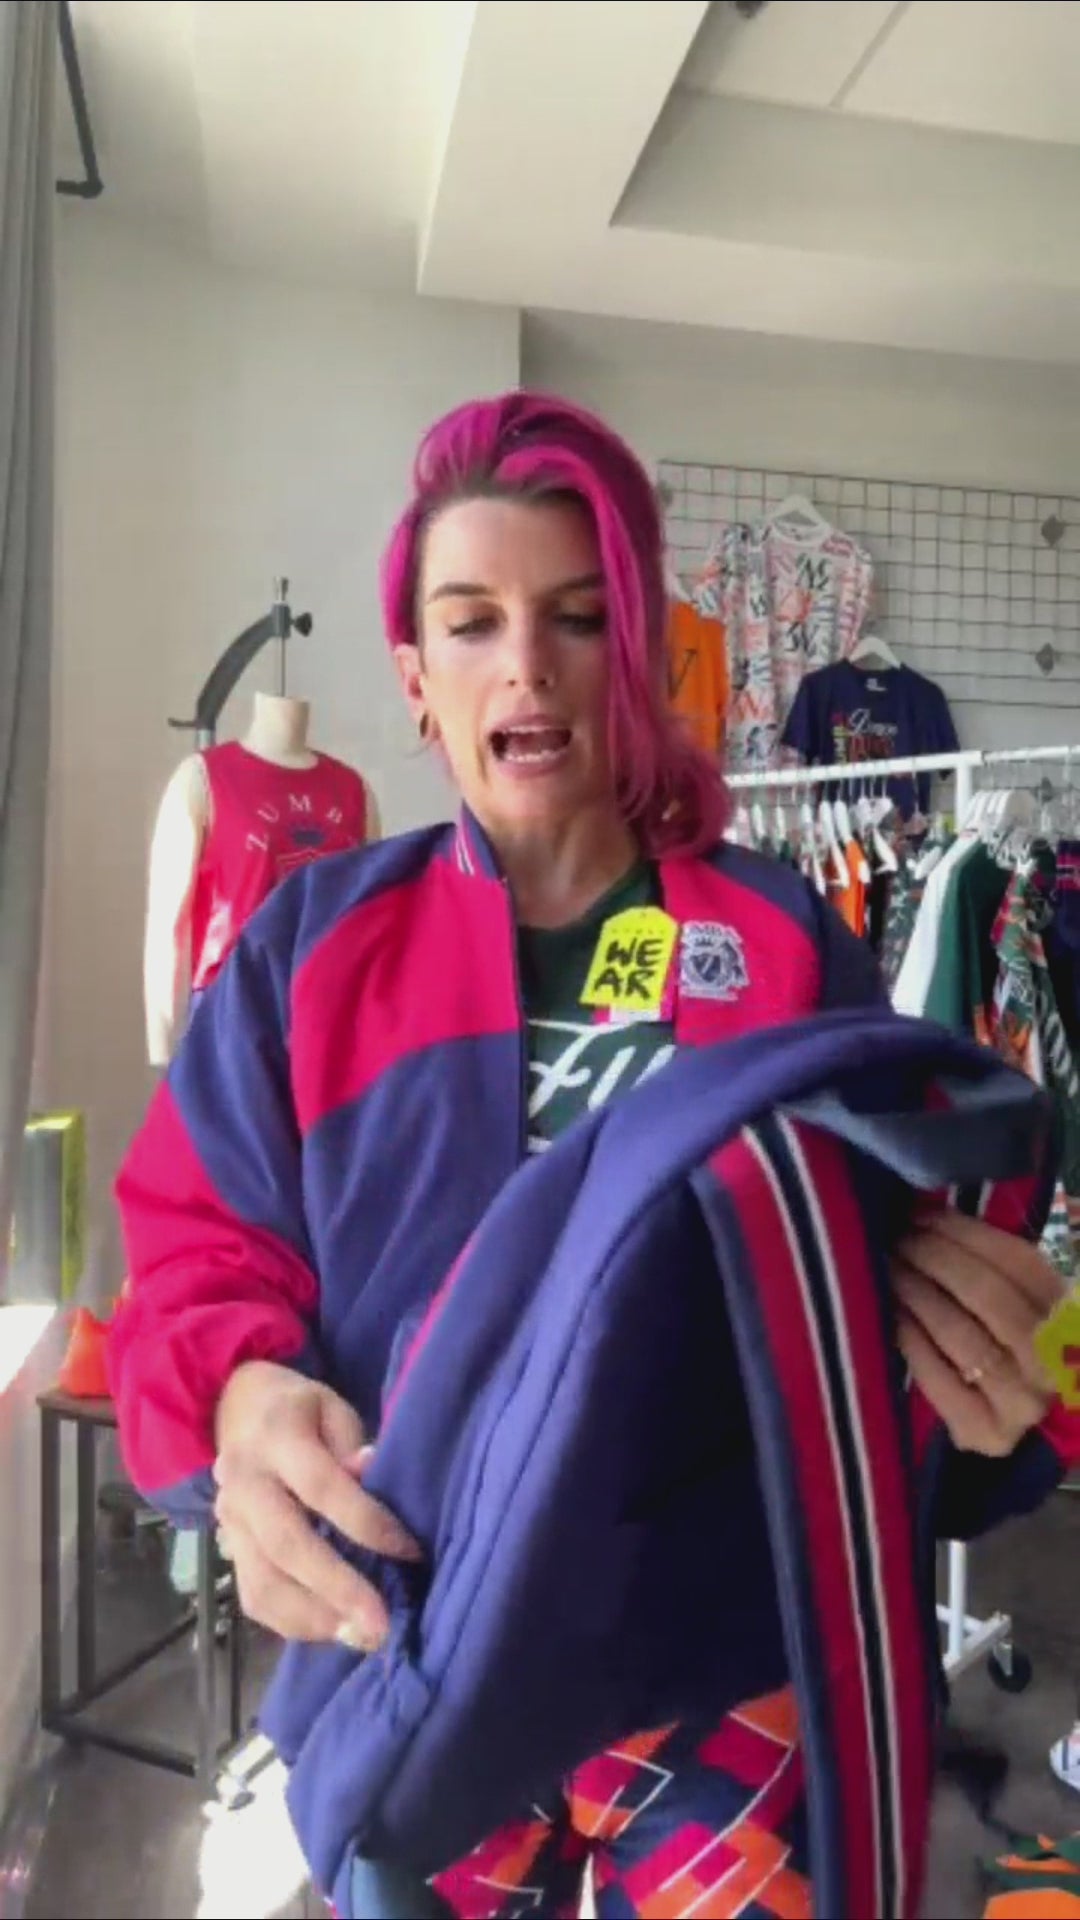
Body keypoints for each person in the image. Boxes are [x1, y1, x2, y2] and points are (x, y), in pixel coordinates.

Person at [109, 392, 1078, 1920]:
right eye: (473, 622)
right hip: (416, 1637)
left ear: (632, 656)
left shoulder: (777, 939)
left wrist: (1005, 1389)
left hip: (722, 1659)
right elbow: (192, 1256)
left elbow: (891, 1288)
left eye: (577, 616)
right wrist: (236, 1399)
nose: (528, 663)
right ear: (416, 680)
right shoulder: (310, 952)